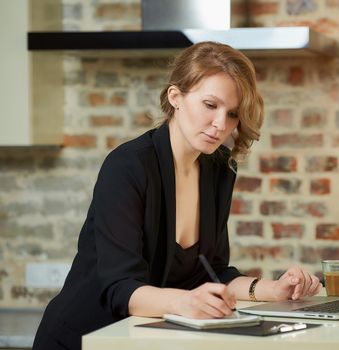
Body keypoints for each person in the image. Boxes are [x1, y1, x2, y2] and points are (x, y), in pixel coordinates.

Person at [33, 41, 321, 350]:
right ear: (176, 97)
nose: (221, 125)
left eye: (233, 113)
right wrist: (188, 302)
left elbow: (215, 272)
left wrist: (272, 289)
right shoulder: (127, 166)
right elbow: (121, 290)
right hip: (84, 338)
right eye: (210, 105)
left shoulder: (219, 170)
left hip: (146, 340)